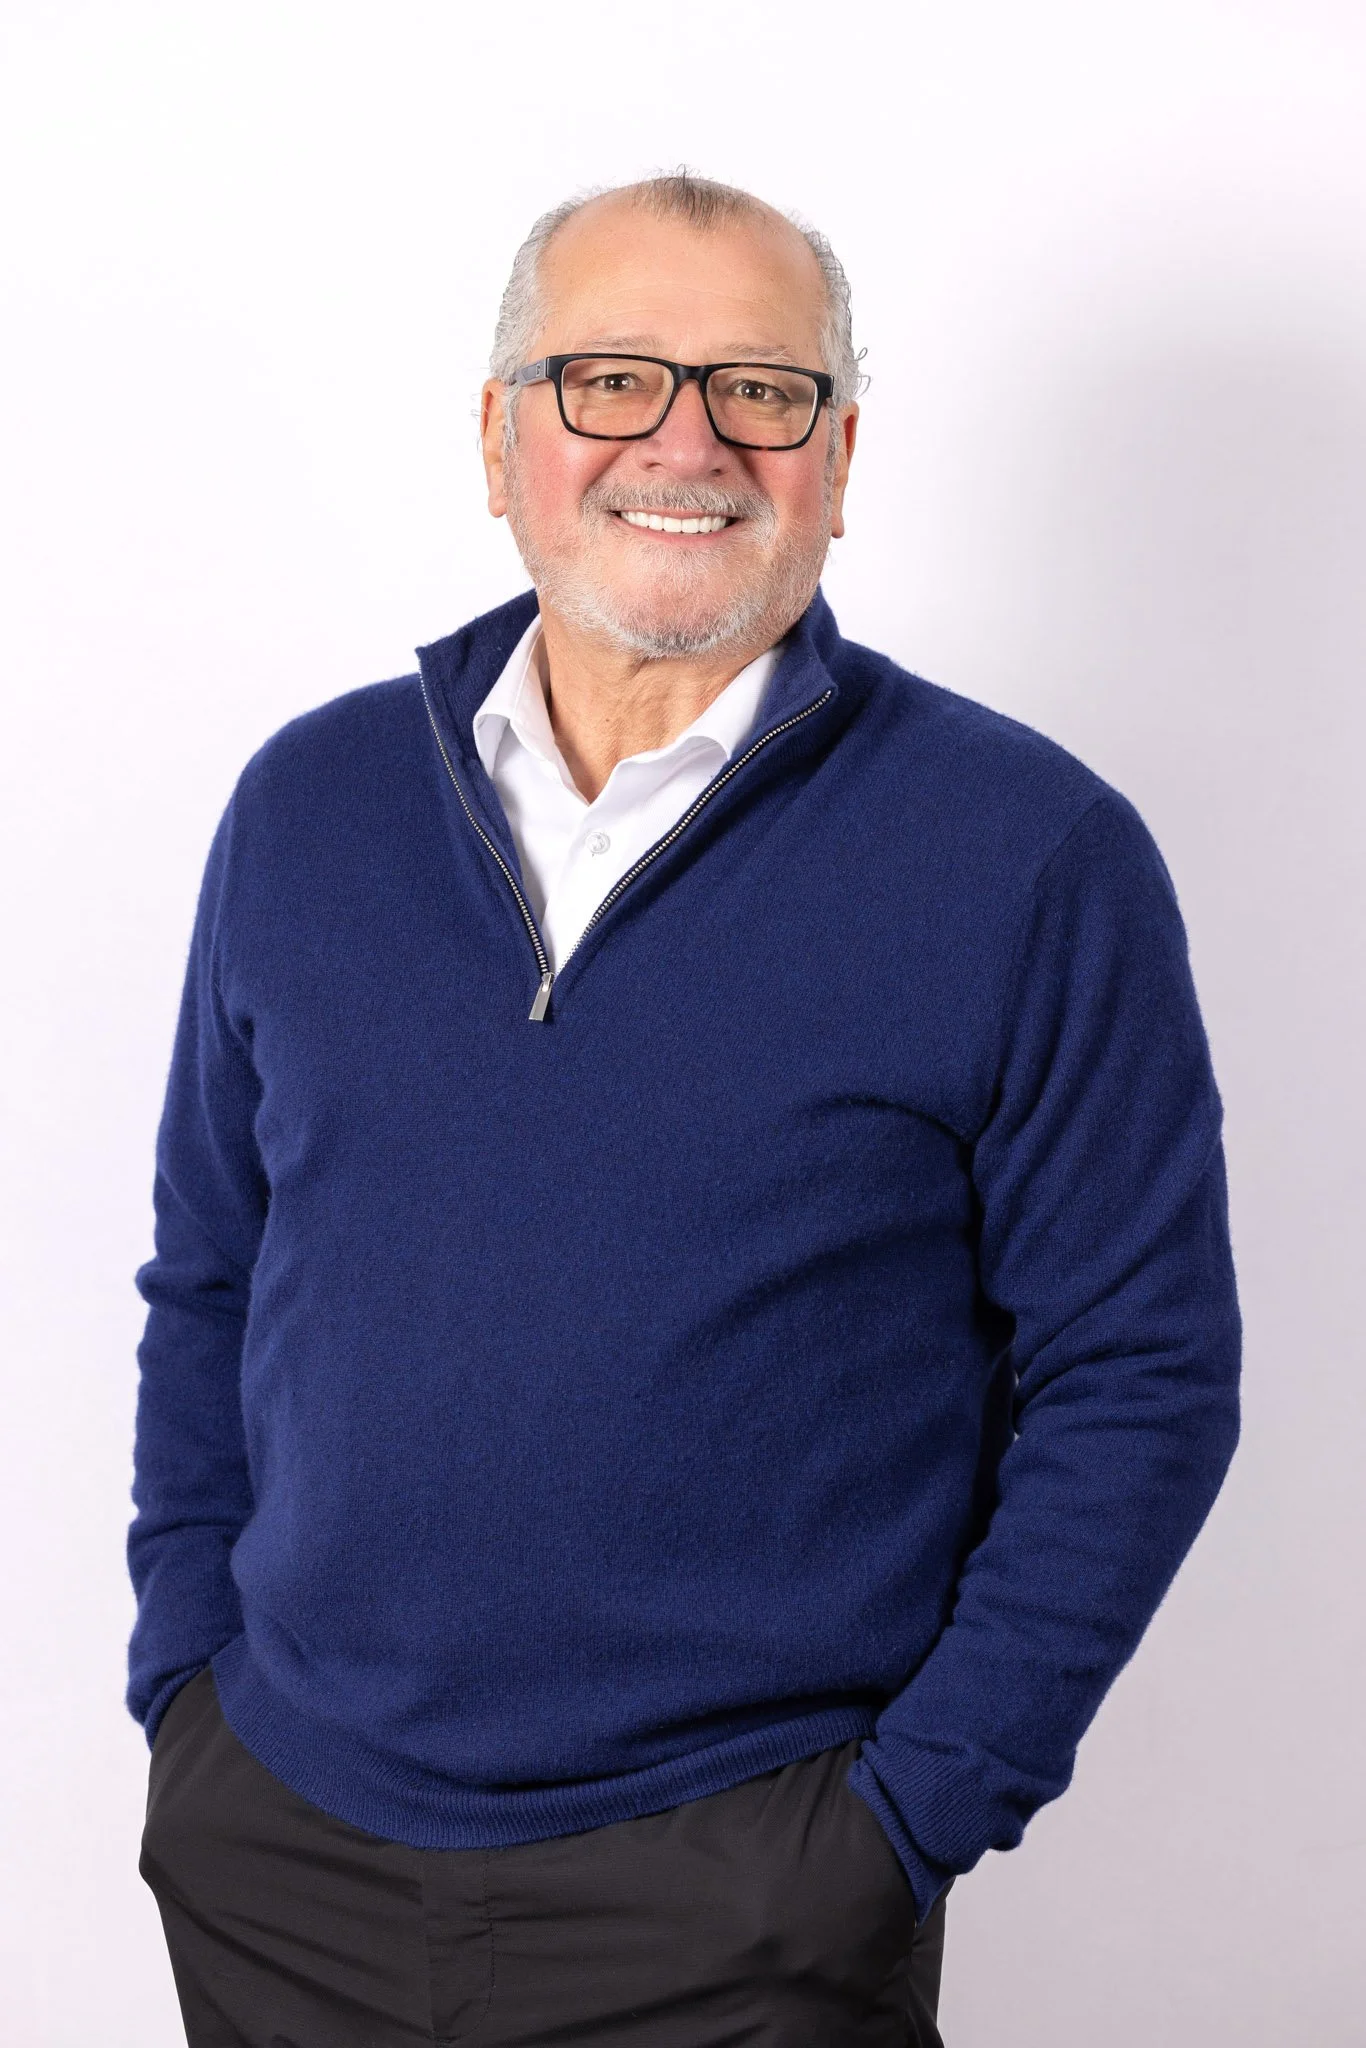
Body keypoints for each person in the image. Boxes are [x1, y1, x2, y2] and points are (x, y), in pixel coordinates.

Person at [128, 172, 1241, 2048]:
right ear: (499, 440)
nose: (688, 443)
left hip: (740, 1900)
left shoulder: (1027, 854)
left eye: (760, 391)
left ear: (838, 450)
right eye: (611, 380)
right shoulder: (307, 807)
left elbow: (1140, 1375)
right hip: (285, 1862)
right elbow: (215, 1278)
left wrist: (902, 1824)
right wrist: (188, 1700)